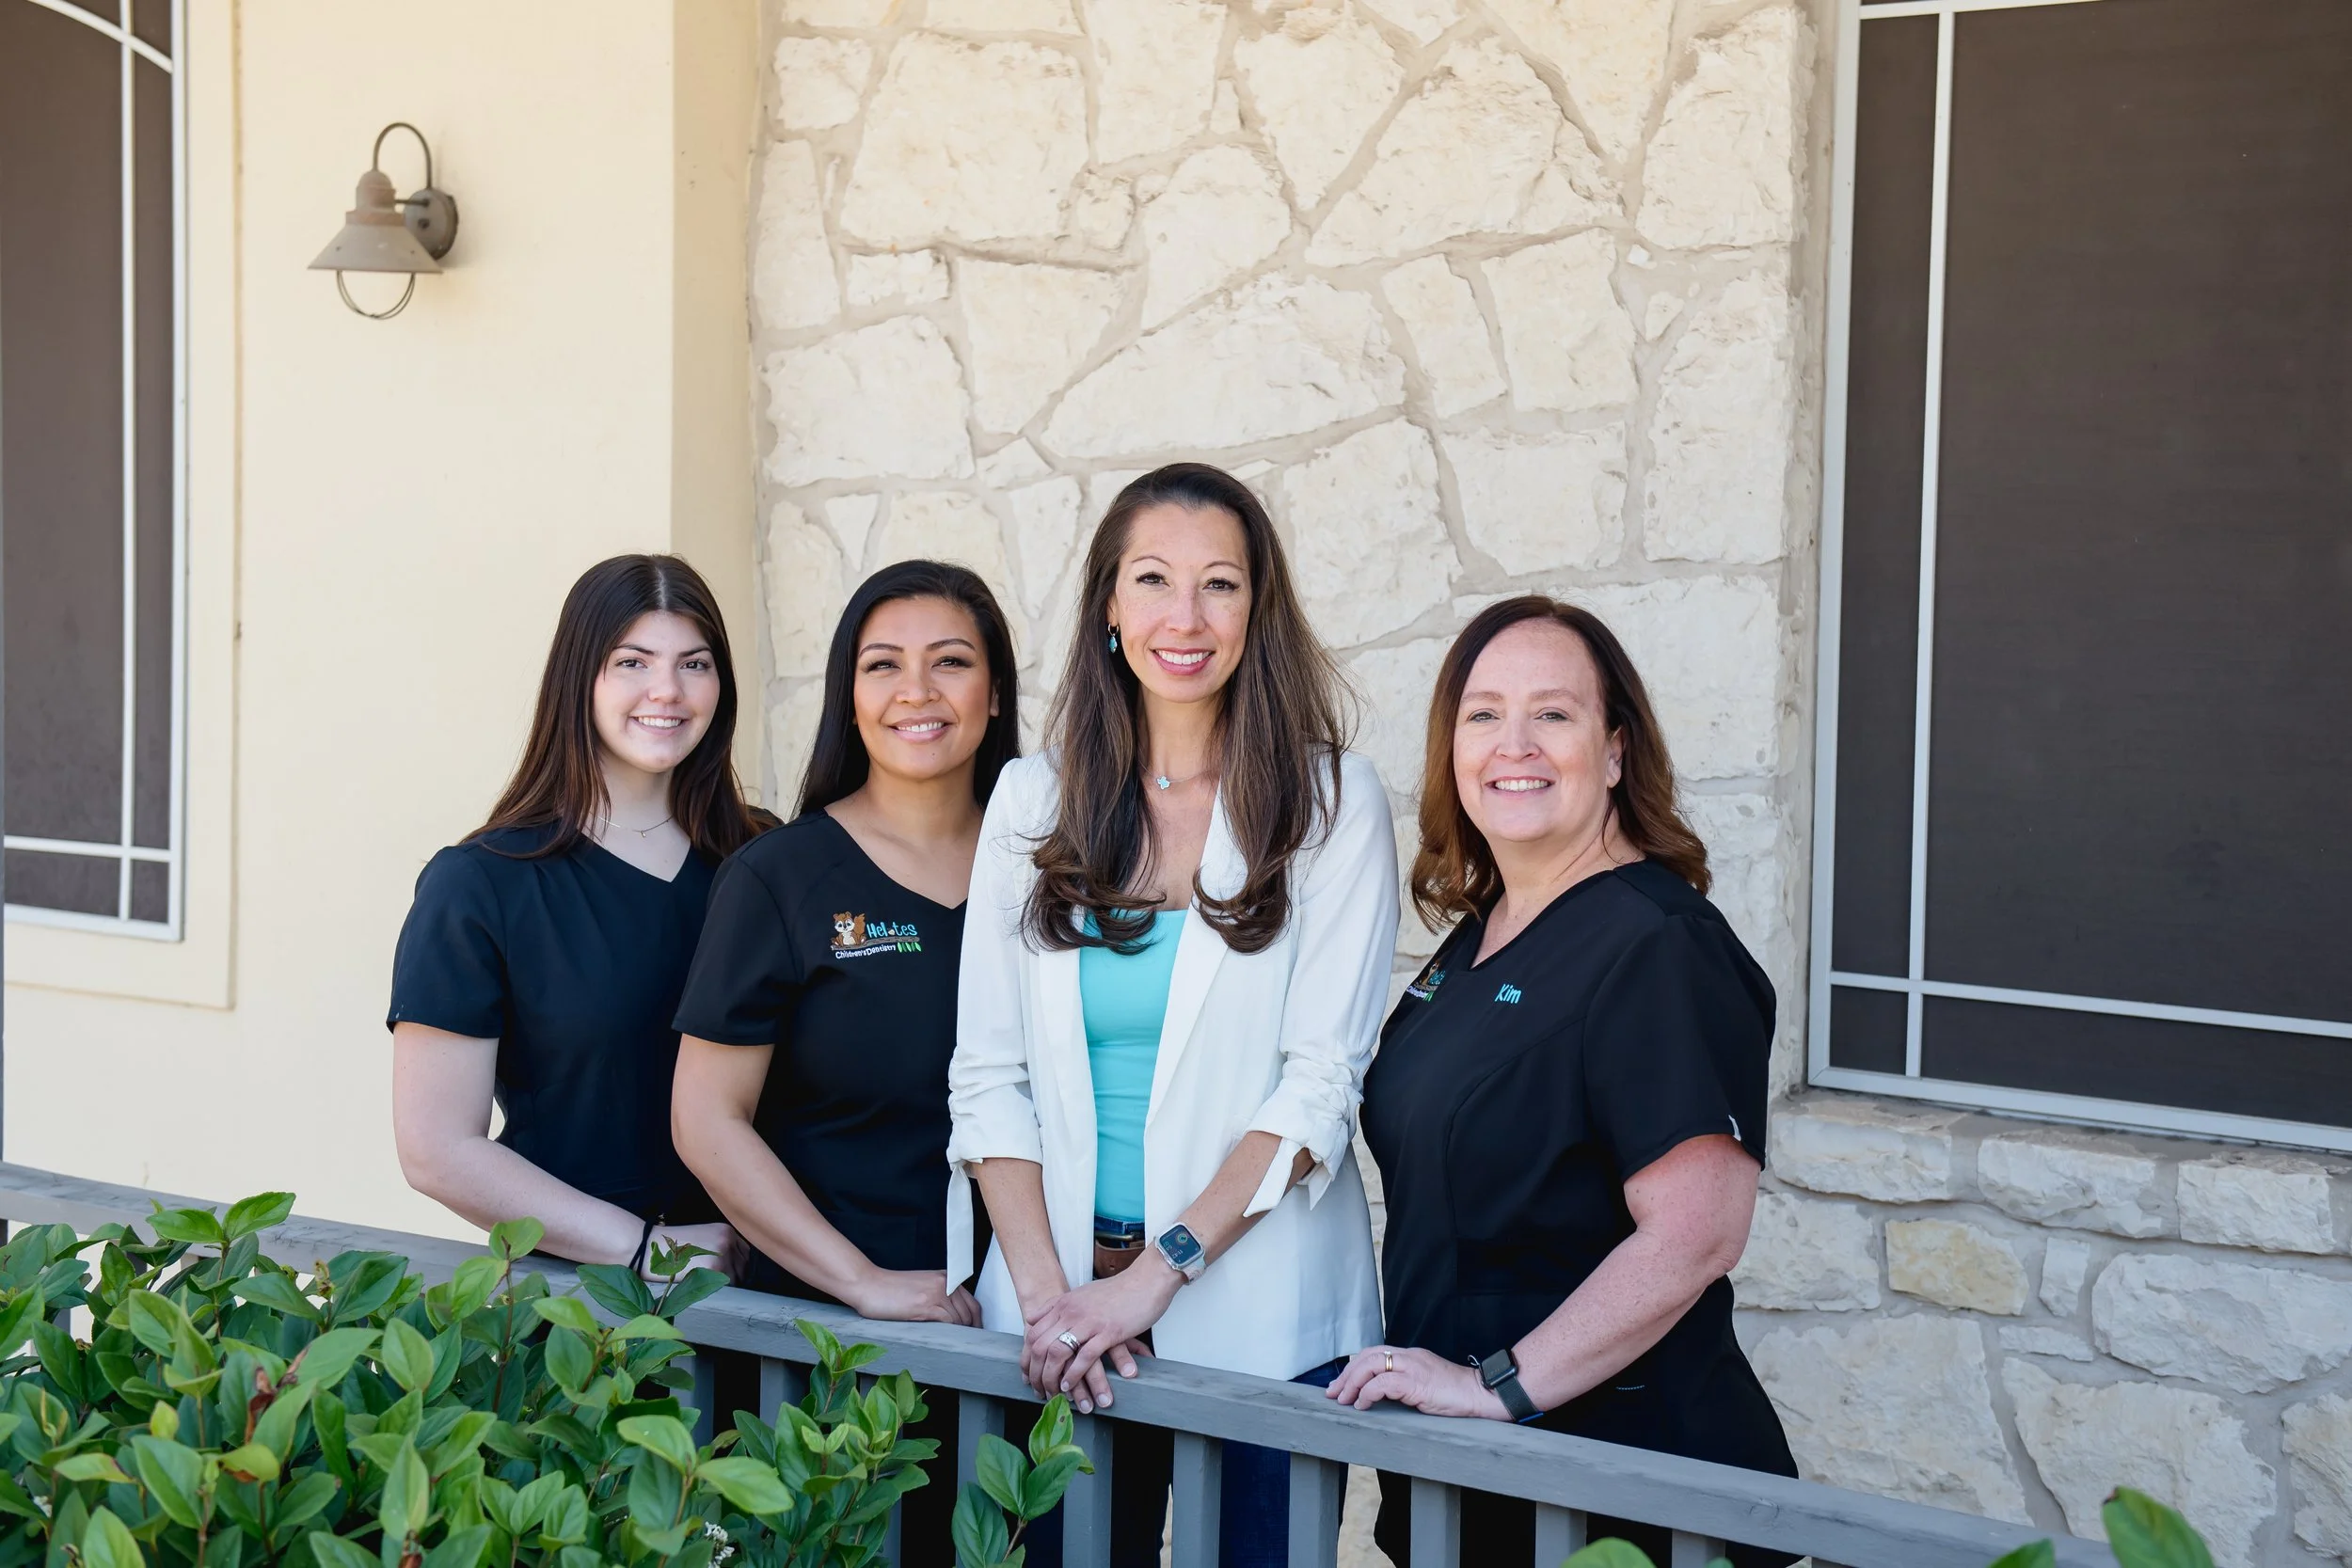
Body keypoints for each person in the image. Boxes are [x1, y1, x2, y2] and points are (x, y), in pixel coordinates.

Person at [949, 463, 1395, 1568]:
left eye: (1219, 585)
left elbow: (1318, 1086)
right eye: (1151, 580)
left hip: (1257, 1312)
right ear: (1109, 603)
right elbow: (984, 1075)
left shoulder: (1333, 803)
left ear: (1260, 609)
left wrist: (1151, 1280)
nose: (1183, 619)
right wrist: (1057, 1299)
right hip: (1052, 1325)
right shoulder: (1030, 798)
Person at [1328, 595, 1798, 1568]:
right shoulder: (1479, 936)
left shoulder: (1657, 943)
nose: (1516, 743)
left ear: (1616, 748)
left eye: (1553, 713)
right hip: (1482, 1477)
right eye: (1483, 713)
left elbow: (1696, 1230)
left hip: (1614, 1489)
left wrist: (1497, 1383)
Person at [668, 561, 1020, 1561]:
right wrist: (860, 1282)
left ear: (993, 695)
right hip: (822, 1356)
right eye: (882, 665)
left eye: (950, 661)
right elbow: (706, 1119)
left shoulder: (1049, 868)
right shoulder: (780, 877)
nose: (917, 689)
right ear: (849, 698)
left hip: (1021, 1344)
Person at [389, 554, 759, 1279]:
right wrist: (646, 1250)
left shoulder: (763, 861)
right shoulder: (481, 884)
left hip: (777, 1301)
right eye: (632, 661)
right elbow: (436, 1148)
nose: (668, 690)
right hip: (582, 1316)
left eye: (695, 663)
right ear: (578, 677)